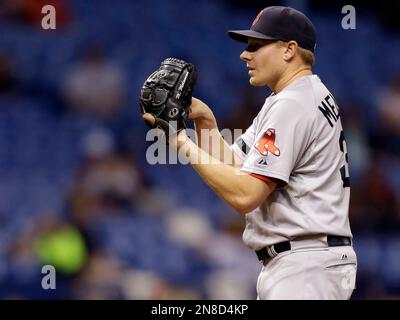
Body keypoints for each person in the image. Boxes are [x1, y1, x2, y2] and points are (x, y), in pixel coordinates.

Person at [143, 6, 357, 300]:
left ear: (289, 50)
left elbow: (245, 195)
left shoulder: (293, 104)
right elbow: (240, 166)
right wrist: (205, 121)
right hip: (307, 262)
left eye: (257, 45)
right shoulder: (296, 96)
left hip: (305, 267)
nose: (245, 54)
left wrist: (179, 140)